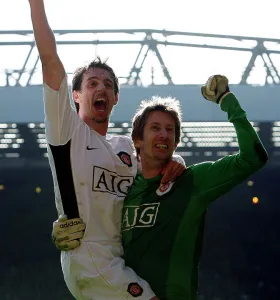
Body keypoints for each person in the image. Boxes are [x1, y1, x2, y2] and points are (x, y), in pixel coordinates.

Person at [53, 75, 268, 299]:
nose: (163, 134)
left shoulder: (192, 182)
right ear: (137, 140)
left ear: (175, 143)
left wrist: (226, 100)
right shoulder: (126, 188)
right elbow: (97, 221)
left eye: (170, 130)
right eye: (155, 127)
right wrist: (63, 228)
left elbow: (253, 158)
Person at [27, 1, 185, 299]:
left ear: (115, 98)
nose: (101, 88)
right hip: (89, 257)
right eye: (92, 83)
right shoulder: (67, 131)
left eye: (108, 85)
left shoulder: (125, 147)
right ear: (76, 95)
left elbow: (155, 170)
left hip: (122, 254)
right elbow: (49, 59)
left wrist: (176, 161)